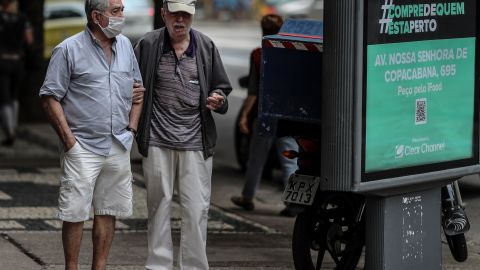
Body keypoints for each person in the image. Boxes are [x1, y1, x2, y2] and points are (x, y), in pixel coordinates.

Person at [39, 0, 144, 269]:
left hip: (118, 143)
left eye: (122, 9)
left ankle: (100, 267)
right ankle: (71, 267)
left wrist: (131, 129)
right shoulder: (68, 49)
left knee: (109, 210)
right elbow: (50, 96)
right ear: (97, 16)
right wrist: (69, 141)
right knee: (74, 212)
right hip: (82, 146)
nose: (123, 15)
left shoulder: (125, 48)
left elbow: (138, 93)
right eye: (116, 11)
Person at [133, 0, 232, 268]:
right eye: (174, 14)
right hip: (156, 140)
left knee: (196, 208)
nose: (179, 21)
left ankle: (194, 266)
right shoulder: (148, 45)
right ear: (163, 14)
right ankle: (158, 266)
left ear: (192, 16)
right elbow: (129, 84)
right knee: (158, 205)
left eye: (185, 15)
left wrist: (218, 99)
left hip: (196, 142)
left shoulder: (206, 46)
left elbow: (222, 88)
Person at [230, 14, 298, 217]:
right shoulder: (293, 53)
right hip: (288, 114)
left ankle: (248, 197)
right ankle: (294, 203)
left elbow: (253, 90)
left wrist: (244, 115)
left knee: (257, 158)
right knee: (290, 159)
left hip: (266, 114)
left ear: (262, 31)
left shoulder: (259, 54)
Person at [0, 0, 33, 146]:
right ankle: (13, 127)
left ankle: (9, 133)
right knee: (14, 96)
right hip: (17, 61)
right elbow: (29, 39)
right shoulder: (23, 18)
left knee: (4, 97)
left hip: (2, 61)